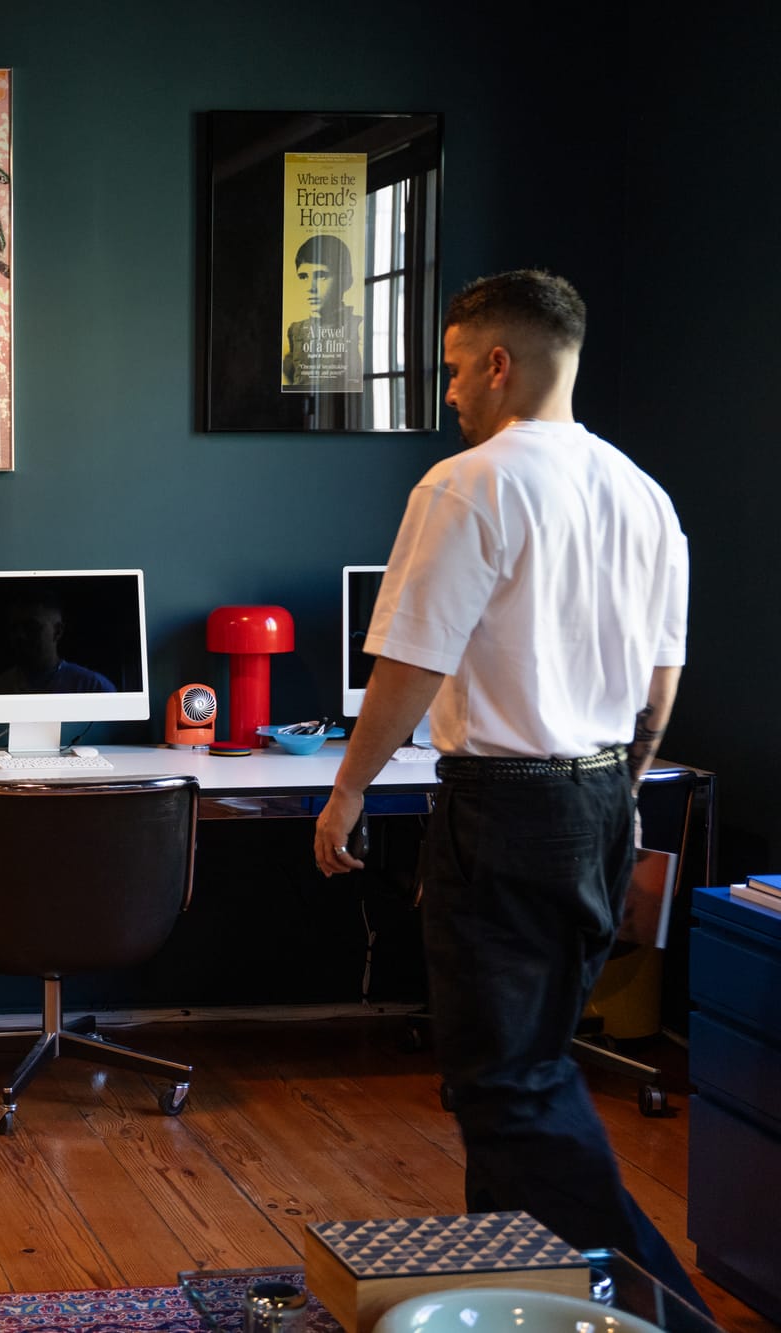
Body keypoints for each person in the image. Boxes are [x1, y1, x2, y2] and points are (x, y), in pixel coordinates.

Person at [312, 270, 700, 1306]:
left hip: (505, 808)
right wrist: (618, 791)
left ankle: (664, 1310)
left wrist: (347, 789)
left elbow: (409, 663)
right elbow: (659, 679)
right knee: (524, 1066)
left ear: (496, 362)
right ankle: (520, 1301)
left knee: (505, 1086)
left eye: (448, 370)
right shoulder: (642, 494)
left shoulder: (465, 483)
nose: (445, 394)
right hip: (599, 803)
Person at [0, 594, 115, 694]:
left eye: (31, 627)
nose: (19, 635)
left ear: (57, 631)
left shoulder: (93, 688)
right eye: (14, 628)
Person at [283, 234, 364, 390]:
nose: (310, 287)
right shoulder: (295, 330)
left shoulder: (359, 326)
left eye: (321, 276)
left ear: (346, 281)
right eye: (303, 276)